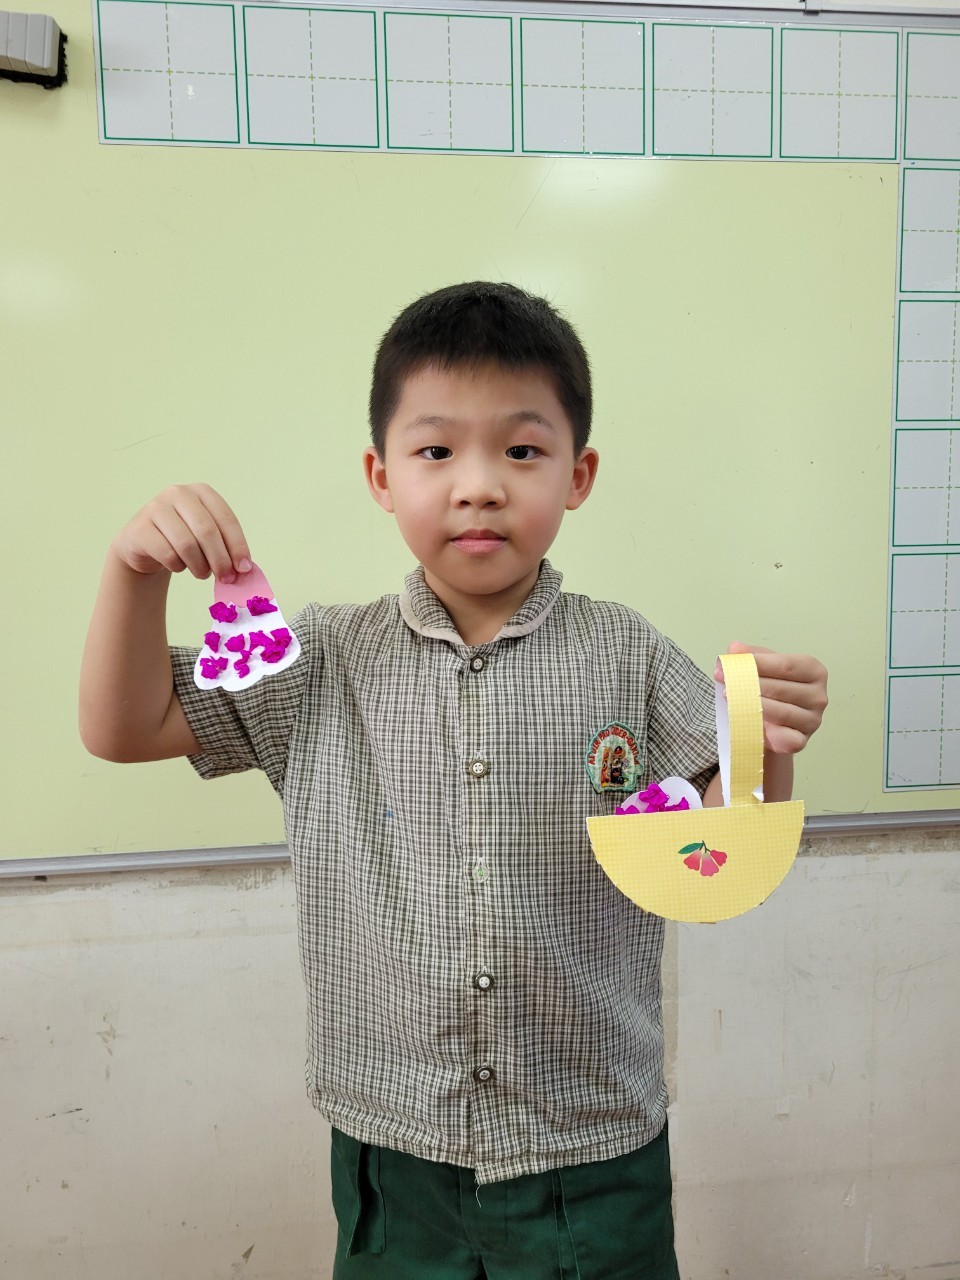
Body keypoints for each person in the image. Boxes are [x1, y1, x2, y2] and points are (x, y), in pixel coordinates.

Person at [80, 281, 827, 1279]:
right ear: (381, 475)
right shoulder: (319, 658)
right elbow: (126, 727)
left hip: (592, 1145)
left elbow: (724, 848)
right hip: (394, 1146)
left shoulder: (630, 654)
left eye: (521, 450)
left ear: (578, 474)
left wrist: (765, 741)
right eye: (436, 451)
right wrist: (133, 572)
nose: (478, 486)